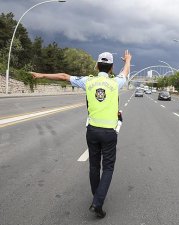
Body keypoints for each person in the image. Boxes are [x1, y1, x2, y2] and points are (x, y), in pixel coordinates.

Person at [31, 50, 132, 219]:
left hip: (92, 131)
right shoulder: (116, 83)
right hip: (108, 133)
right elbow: (126, 71)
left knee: (94, 166)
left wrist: (41, 75)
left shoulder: (88, 81)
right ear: (112, 68)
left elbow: (64, 76)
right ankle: (98, 202)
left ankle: (96, 197)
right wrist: (128, 60)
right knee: (107, 168)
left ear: (96, 65)